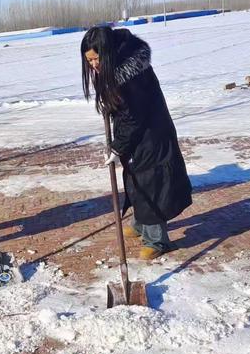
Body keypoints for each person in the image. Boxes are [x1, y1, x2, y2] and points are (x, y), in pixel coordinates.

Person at [81, 26, 192, 260]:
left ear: (108, 52)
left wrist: (118, 146)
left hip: (151, 133)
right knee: (135, 178)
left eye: (95, 59)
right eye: (89, 60)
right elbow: (124, 113)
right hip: (138, 133)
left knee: (149, 183)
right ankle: (142, 224)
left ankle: (157, 240)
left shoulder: (132, 76)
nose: (93, 65)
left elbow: (134, 116)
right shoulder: (117, 64)